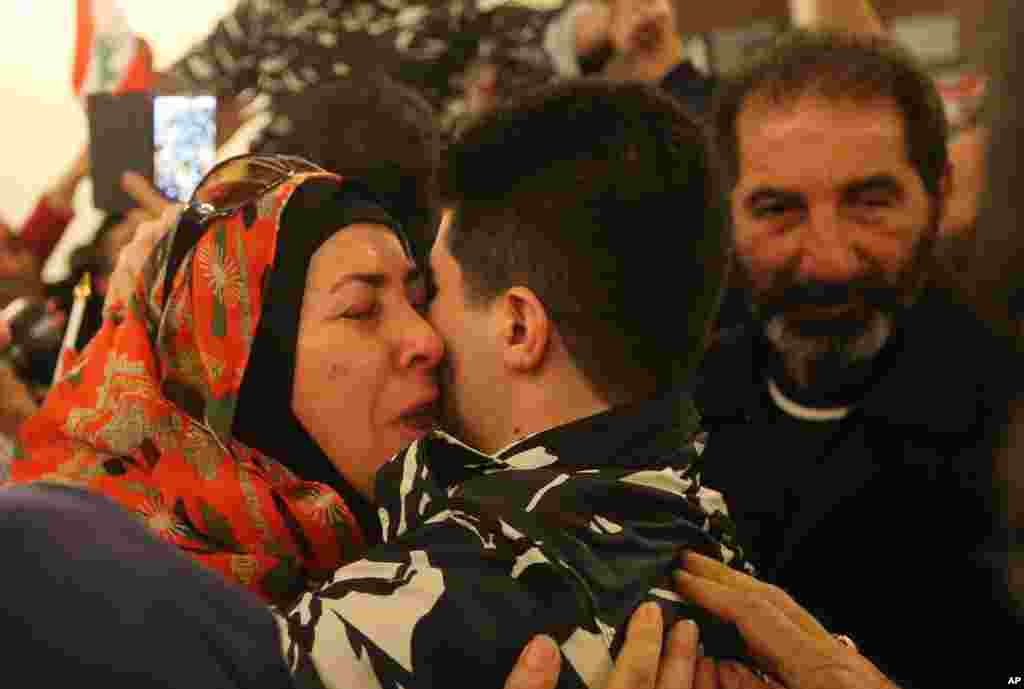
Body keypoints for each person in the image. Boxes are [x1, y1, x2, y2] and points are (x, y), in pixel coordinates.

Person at [276, 77, 749, 689]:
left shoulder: (424, 603)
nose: (422, 335)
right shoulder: (706, 535)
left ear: (519, 326)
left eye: (435, 292)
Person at [686, 30, 1019, 686]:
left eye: (870, 203)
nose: (829, 259)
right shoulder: (672, 415)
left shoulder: (1010, 420)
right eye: (779, 211)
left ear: (940, 193)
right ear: (726, 216)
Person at [8, 158, 442, 607]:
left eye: (419, 300)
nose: (427, 341)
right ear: (240, 366)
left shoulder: (451, 529)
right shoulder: (81, 591)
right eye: (361, 309)